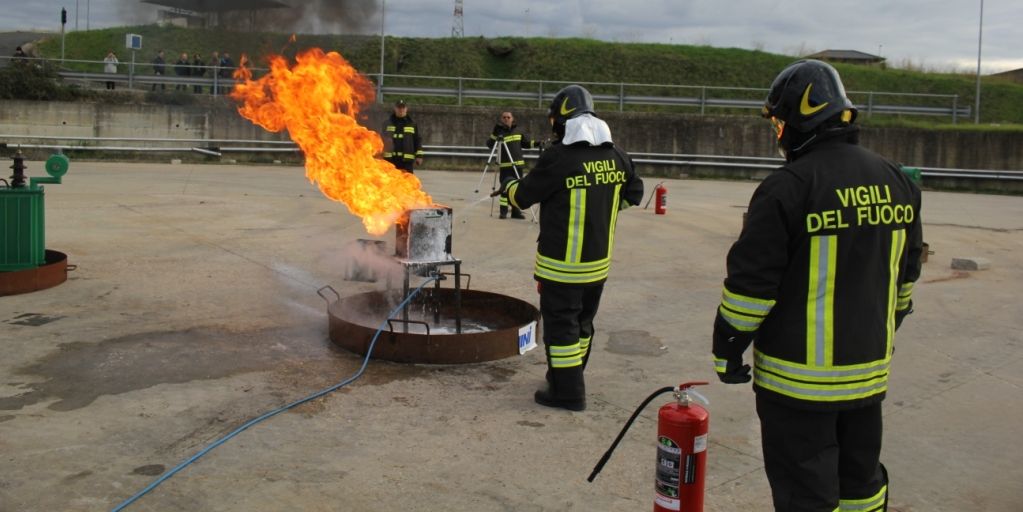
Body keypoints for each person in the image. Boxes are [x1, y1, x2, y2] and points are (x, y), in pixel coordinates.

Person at [711, 59, 923, 511]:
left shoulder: (786, 187)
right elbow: (906, 279)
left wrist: (726, 347)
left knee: (805, 491)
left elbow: (750, 290)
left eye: (779, 123)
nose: (778, 133)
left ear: (798, 120)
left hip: (798, 385)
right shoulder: (896, 181)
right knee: (859, 485)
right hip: (868, 374)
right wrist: (879, 331)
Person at [493, 85, 644, 411]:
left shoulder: (559, 159)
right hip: (598, 266)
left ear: (562, 122)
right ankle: (568, 376)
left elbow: (522, 197)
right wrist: (602, 208)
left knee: (561, 330)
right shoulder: (616, 155)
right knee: (583, 325)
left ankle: (568, 393)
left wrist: (507, 186)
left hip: (561, 267)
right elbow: (634, 193)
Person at [487, 111, 539, 219]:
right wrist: (494, 133)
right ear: (501, 119)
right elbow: (489, 145)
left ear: (512, 118)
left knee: (518, 189)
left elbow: (526, 144)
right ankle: (503, 212)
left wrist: (538, 143)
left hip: (518, 165)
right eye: (504, 117)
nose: (506, 119)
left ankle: (515, 212)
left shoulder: (518, 131)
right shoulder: (499, 132)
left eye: (508, 117)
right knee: (504, 188)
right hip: (505, 166)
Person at [382, 99, 423, 173]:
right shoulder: (387, 123)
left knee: (407, 182)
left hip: (406, 161)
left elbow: (417, 140)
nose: (401, 110)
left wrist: (419, 156)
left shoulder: (412, 124)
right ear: (395, 109)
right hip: (390, 161)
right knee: (390, 183)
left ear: (406, 109)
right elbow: (380, 140)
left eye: (403, 108)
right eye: (399, 108)